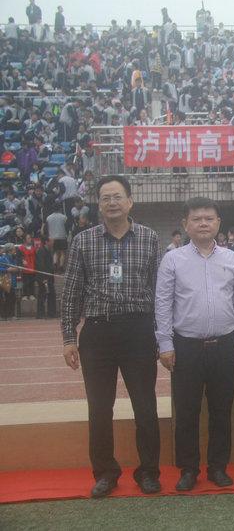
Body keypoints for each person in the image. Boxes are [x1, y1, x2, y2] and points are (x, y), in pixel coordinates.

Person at [61, 175, 162, 498]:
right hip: (97, 332)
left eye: (117, 196)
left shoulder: (149, 238)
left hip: (138, 331)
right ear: (99, 205)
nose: (112, 203)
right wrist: (68, 337)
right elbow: (72, 292)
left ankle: (149, 472)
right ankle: (105, 472)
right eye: (105, 198)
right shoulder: (83, 240)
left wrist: (162, 336)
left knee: (145, 407)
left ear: (130, 201)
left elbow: (159, 291)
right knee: (100, 409)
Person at [155, 197, 234, 492]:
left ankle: (218, 467)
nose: (203, 224)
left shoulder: (232, 259)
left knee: (221, 411)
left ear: (218, 223)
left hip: (224, 345)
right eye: (196, 219)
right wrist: (165, 343)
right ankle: (188, 469)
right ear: (186, 225)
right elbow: (162, 304)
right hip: (186, 347)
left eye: (209, 218)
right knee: (187, 412)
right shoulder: (173, 259)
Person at [35, 235, 56, 319]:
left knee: (52, 294)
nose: (53, 242)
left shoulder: (50, 250)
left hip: (50, 276)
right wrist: (44, 278)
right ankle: (40, 313)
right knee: (42, 295)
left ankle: (51, 312)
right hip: (43, 277)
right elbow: (40, 265)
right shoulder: (41, 251)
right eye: (51, 241)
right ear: (46, 242)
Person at [0, 243, 19, 320]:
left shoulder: (14, 258)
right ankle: (5, 314)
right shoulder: (3, 259)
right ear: (9, 250)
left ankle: (11, 314)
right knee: (6, 298)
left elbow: (17, 267)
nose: (15, 251)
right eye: (13, 249)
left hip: (12, 280)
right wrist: (7, 270)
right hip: (6, 281)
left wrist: (16, 269)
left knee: (12, 298)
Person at [18, 232, 36, 300]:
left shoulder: (33, 248)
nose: (30, 239)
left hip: (32, 268)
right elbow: (19, 257)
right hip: (25, 269)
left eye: (30, 238)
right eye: (28, 238)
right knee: (26, 282)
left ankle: (31, 294)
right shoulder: (20, 248)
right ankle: (25, 294)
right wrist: (22, 261)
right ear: (24, 240)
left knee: (31, 282)